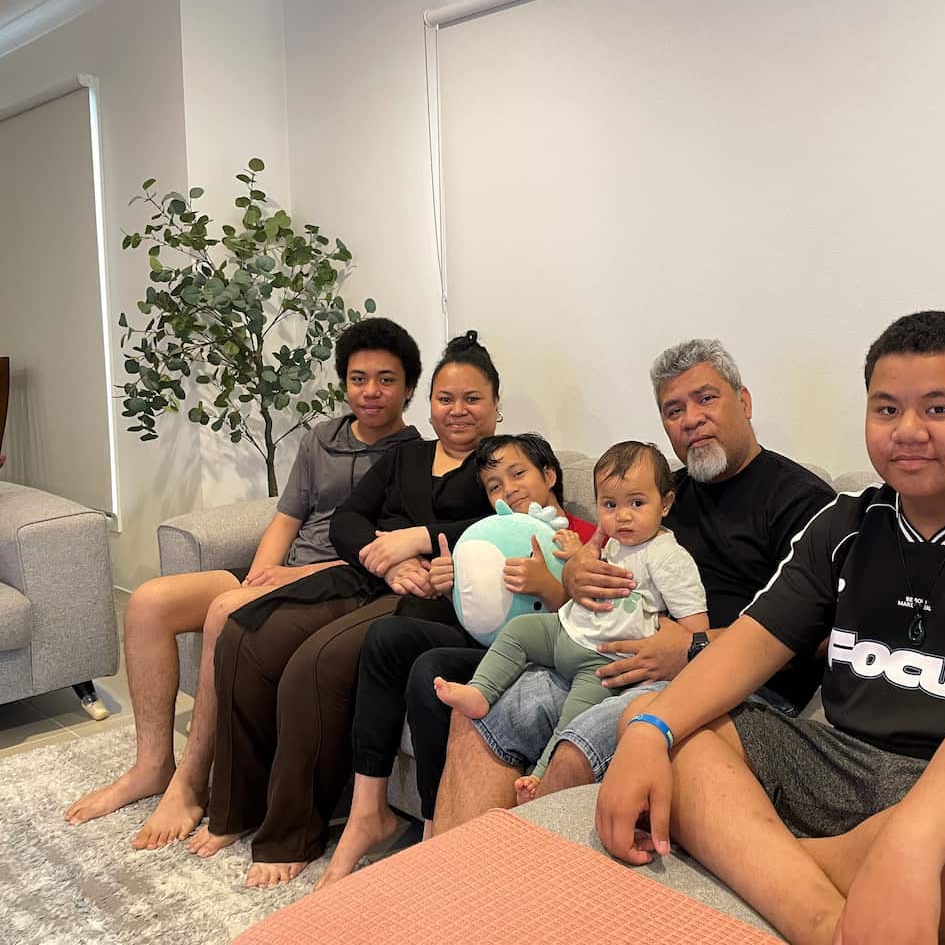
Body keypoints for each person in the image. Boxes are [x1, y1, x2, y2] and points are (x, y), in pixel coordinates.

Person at [595, 312, 945, 945]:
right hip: (851, 767)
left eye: (937, 408)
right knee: (661, 721)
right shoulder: (846, 524)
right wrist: (650, 731)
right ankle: (827, 925)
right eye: (886, 409)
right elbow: (750, 643)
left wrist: (913, 841)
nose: (908, 432)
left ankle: (763, 859)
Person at [423, 338, 835, 834]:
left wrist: (692, 647)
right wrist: (573, 576)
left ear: (743, 402)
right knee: (478, 717)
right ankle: (453, 890)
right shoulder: (659, 494)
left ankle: (523, 895)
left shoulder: (802, 500)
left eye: (707, 399)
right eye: (673, 409)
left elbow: (816, 637)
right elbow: (588, 551)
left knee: (580, 747)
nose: (691, 419)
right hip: (612, 658)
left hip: (740, 684)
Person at [63, 318, 422, 849]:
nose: (371, 392)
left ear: (409, 388)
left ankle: (192, 780)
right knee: (149, 603)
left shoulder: (412, 457)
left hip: (337, 582)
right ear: (343, 382)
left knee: (228, 609)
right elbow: (288, 516)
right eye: (358, 378)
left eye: (386, 380)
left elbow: (375, 556)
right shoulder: (322, 436)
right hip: (284, 570)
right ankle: (153, 764)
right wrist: (262, 572)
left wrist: (286, 578)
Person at [191, 331, 500, 888]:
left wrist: (417, 539)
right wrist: (384, 559)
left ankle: (292, 834)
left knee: (316, 664)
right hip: (371, 578)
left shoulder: (501, 463)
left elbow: (509, 525)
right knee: (245, 634)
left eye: (472, 399)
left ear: (496, 407)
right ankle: (234, 807)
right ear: (428, 403)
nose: (457, 411)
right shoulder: (405, 456)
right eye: (446, 398)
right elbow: (347, 520)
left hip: (436, 602)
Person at [315, 432, 595, 889]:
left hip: (540, 663)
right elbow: (475, 613)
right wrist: (451, 584)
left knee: (431, 671)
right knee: (387, 636)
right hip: (487, 650)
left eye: (518, 473)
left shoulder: (583, 537)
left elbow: (592, 624)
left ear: (550, 475)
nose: (509, 489)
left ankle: (431, 827)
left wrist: (548, 584)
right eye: (494, 486)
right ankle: (367, 813)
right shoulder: (487, 537)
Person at [436, 440, 707, 799]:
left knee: (576, 717)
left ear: (666, 503)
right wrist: (575, 558)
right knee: (519, 631)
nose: (622, 516)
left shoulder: (669, 558)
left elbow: (695, 630)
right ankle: (481, 691)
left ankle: (542, 774)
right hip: (565, 631)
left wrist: (668, 640)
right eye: (610, 505)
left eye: (637, 504)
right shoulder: (609, 542)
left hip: (602, 662)